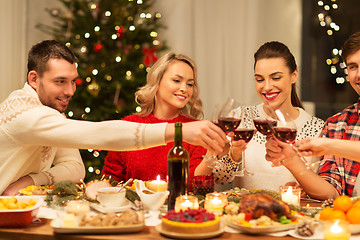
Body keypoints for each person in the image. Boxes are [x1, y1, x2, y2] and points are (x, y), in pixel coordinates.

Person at [0, 40, 227, 196]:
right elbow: (97, 135)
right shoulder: (23, 115)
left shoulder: (51, 113)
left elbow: (74, 168)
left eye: (73, 81)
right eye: (60, 81)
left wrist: (29, 181)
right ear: (33, 79)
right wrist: (177, 132)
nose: (70, 91)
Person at [198, 41, 324, 192]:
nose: (267, 87)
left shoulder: (317, 128)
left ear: (294, 76)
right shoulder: (239, 118)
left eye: (276, 78)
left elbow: (323, 190)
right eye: (259, 79)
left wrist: (304, 190)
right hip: (246, 212)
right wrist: (234, 155)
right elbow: (220, 179)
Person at [265, 31, 360, 199]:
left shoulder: (329, 141)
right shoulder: (337, 124)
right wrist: (291, 160)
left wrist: (328, 145)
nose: (358, 74)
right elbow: (332, 194)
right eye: (353, 67)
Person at [102, 52, 210, 186]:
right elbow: (110, 180)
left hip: (180, 206)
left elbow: (195, 185)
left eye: (190, 84)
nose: (184, 89)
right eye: (176, 81)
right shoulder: (129, 125)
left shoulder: (196, 130)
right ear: (157, 82)